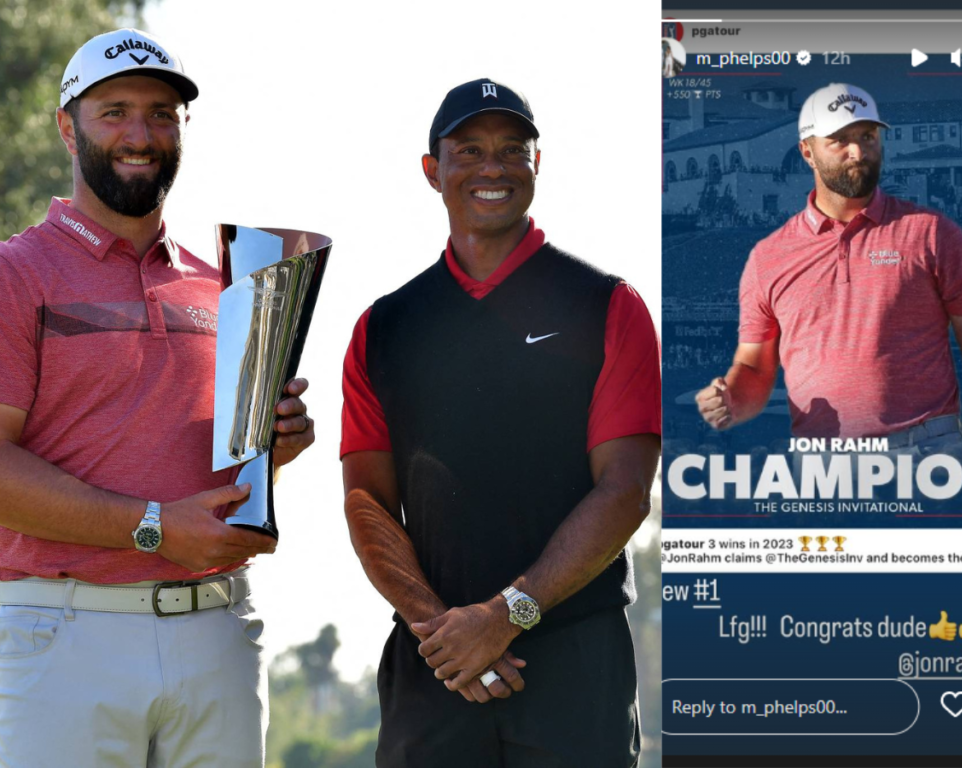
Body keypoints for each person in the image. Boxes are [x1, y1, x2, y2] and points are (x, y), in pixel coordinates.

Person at [0, 29, 314, 766]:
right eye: (114, 112)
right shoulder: (16, 273)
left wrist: (271, 447)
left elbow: (203, 472)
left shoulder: (224, 286)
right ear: (66, 126)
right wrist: (151, 528)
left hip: (217, 630)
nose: (140, 135)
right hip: (60, 633)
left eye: (162, 114)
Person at [341, 78, 661, 767]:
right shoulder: (383, 327)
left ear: (537, 164)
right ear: (433, 170)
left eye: (513, 150)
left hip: (574, 661)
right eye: (471, 151)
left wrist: (503, 615)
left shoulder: (606, 306)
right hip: (435, 664)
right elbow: (367, 500)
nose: (494, 168)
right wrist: (445, 631)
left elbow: (626, 490)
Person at [696, 82, 962, 455]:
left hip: (926, 452)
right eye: (840, 140)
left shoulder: (933, 232)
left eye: (868, 136)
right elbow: (755, 370)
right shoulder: (768, 257)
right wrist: (729, 397)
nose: (858, 151)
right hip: (820, 465)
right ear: (807, 152)